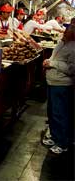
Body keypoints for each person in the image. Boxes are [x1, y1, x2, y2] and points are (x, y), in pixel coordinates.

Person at [42, 24, 75, 154]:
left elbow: (72, 69)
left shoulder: (73, 48)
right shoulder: (62, 43)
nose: (65, 31)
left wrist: (52, 63)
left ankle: (62, 143)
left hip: (61, 84)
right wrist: (48, 61)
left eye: (68, 30)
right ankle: (55, 136)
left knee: (60, 113)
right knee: (52, 112)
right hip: (52, 82)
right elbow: (54, 58)